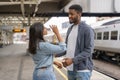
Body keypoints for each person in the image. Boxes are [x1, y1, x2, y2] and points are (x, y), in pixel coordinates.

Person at [62, 4, 94, 80]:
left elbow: (89, 50)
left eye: (72, 14)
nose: (69, 16)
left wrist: (72, 60)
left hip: (82, 70)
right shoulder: (70, 29)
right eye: (68, 14)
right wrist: (54, 53)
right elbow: (66, 47)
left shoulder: (87, 29)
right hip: (70, 69)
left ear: (79, 14)